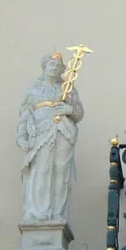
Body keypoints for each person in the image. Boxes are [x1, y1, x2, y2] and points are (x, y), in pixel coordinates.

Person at [18, 51, 84, 225]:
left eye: (57, 65)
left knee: (61, 171)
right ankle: (39, 213)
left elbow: (79, 112)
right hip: (41, 132)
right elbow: (25, 114)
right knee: (41, 170)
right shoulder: (33, 90)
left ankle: (57, 214)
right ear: (44, 67)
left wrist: (68, 110)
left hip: (64, 130)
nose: (54, 68)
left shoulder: (68, 89)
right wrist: (21, 136)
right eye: (51, 65)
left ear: (62, 69)